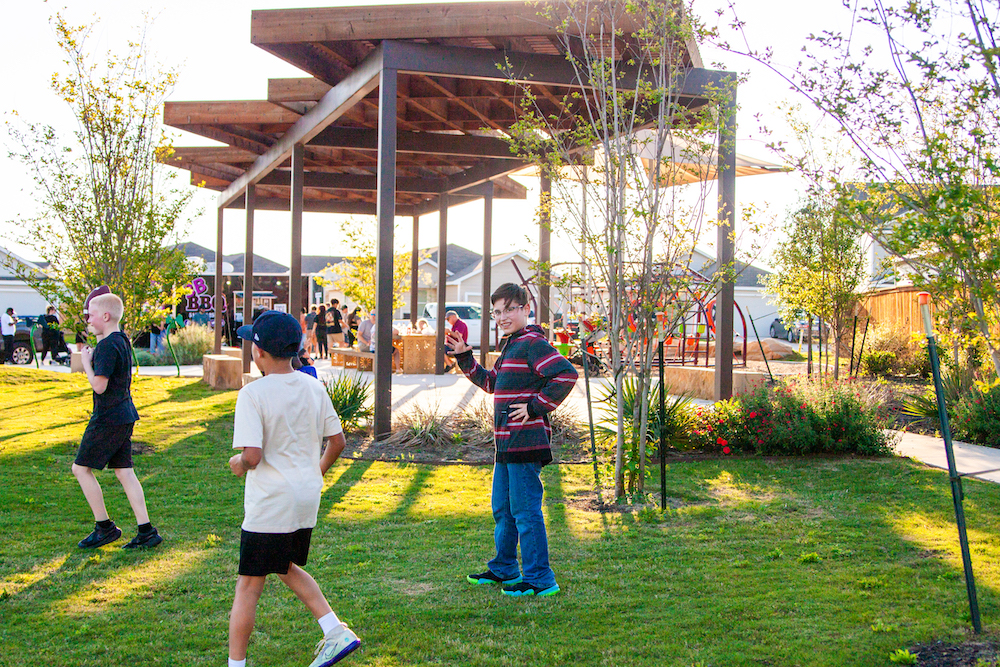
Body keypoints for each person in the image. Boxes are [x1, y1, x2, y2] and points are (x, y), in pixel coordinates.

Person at [227, 310, 360, 667]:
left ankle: (235, 664)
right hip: (305, 497)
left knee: (249, 586)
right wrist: (314, 473)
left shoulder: (252, 394)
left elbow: (251, 455)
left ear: (258, 353)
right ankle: (335, 630)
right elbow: (338, 441)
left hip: (271, 500)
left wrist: (237, 464)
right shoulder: (313, 386)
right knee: (283, 565)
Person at [446, 283, 577, 597]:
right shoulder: (511, 345)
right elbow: (492, 383)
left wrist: (534, 407)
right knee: (503, 510)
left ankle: (540, 579)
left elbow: (566, 374)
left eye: (508, 309)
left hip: (525, 443)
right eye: (497, 312)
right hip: (505, 444)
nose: (501, 317)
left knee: (526, 511)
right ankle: (504, 568)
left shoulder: (532, 343)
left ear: (525, 308)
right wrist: (465, 357)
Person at [72, 288, 163, 550]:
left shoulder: (106, 346)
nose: (87, 320)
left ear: (106, 315)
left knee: (80, 469)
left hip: (109, 417)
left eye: (90, 315)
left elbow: (99, 386)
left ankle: (105, 528)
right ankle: (147, 532)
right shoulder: (122, 340)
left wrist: (86, 362)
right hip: (124, 414)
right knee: (124, 472)